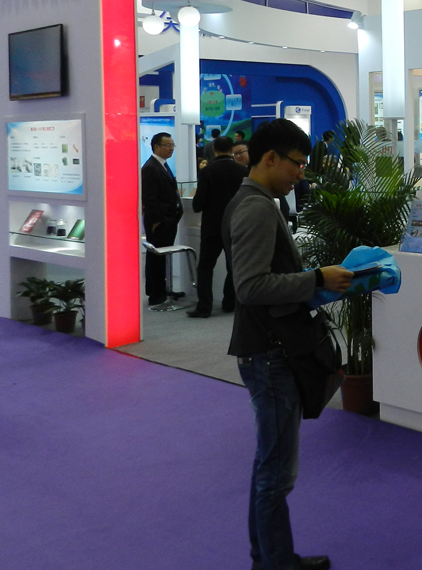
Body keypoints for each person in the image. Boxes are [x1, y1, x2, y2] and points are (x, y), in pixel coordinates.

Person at [225, 119, 355, 570]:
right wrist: (316, 278)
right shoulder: (256, 207)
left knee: (270, 466)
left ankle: (270, 557)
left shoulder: (256, 201)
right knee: (276, 473)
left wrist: (314, 283)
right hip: (270, 353)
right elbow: (250, 286)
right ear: (270, 159)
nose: (302, 172)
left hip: (267, 346)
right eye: (297, 163)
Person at [188, 135, 248, 318]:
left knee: (205, 267)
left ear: (214, 150)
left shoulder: (207, 171)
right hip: (235, 225)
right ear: (231, 150)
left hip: (212, 226)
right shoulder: (243, 171)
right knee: (233, 266)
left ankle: (204, 307)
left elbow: (199, 203)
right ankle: (229, 302)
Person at [141, 132, 184, 306]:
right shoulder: (150, 168)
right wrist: (157, 220)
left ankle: (164, 288)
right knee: (156, 257)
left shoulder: (163, 165)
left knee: (163, 256)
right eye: (167, 145)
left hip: (169, 219)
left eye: (172, 145)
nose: (171, 148)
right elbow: (149, 198)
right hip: (159, 221)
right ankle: (155, 293)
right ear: (156, 147)